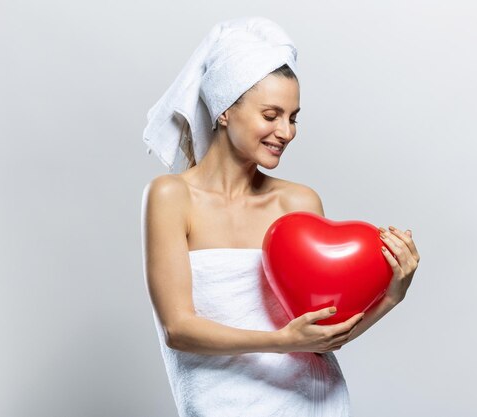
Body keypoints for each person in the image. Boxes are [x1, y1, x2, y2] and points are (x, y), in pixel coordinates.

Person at [141, 16, 420, 417]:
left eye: (293, 117)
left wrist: (393, 295)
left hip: (312, 402)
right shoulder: (171, 197)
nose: (286, 131)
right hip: (220, 405)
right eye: (271, 115)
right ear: (224, 111)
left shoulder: (299, 203)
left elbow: (322, 337)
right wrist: (284, 340)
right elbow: (178, 329)